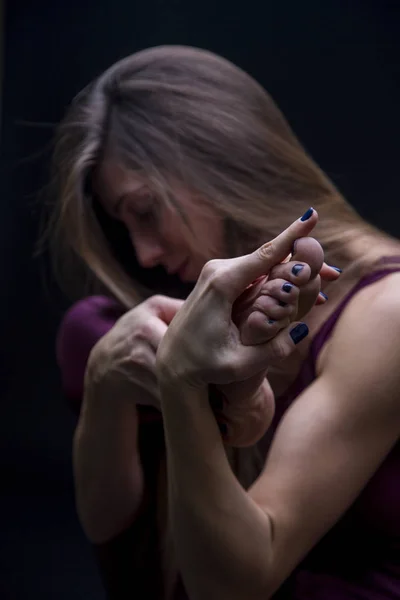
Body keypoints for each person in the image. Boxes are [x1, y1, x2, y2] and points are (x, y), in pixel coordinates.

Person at [48, 46, 400, 599]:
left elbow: (235, 584)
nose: (141, 254)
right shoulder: (152, 315)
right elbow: (121, 551)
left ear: (212, 159)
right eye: (124, 224)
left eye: (145, 211)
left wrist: (184, 383)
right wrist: (103, 386)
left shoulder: (387, 313)